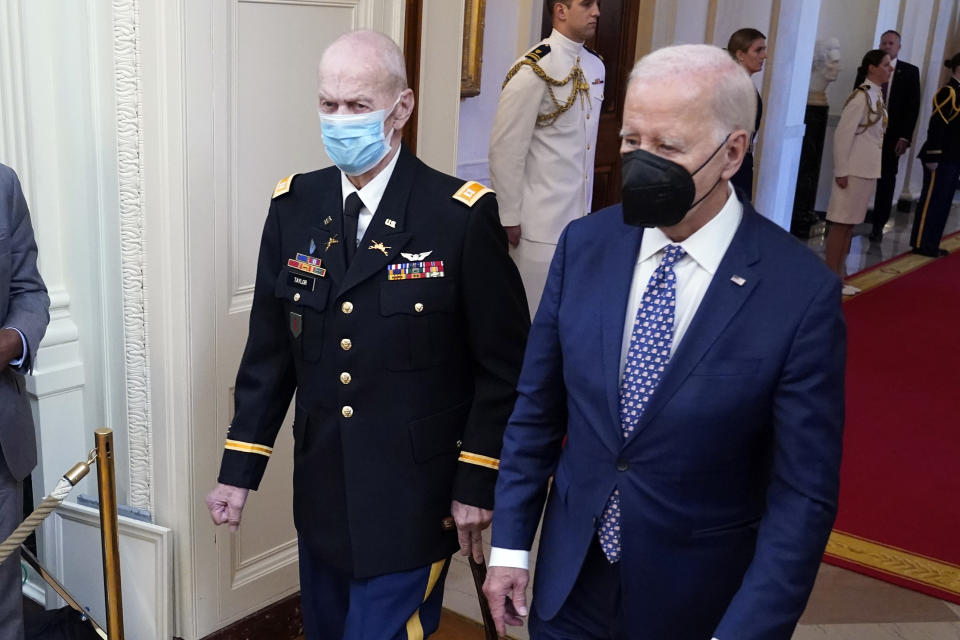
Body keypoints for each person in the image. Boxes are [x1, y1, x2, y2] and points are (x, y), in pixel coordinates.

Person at [483, 44, 846, 640]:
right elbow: (535, 413)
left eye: (668, 147)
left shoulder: (798, 294)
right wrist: (511, 550)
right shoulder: (585, 247)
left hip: (697, 604)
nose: (640, 163)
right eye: (631, 141)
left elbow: (802, 496)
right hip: (571, 587)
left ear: (732, 151)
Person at [204, 30, 529, 639]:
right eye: (329, 105)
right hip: (323, 491)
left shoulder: (457, 215)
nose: (340, 120)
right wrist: (239, 469)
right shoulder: (295, 205)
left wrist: (477, 479)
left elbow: (504, 367)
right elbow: (270, 353)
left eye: (358, 106)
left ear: (401, 108)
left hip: (416, 498)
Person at [489, 0, 605, 317]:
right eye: (586, 4)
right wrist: (509, 217)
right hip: (538, 227)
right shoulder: (532, 69)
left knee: (569, 324)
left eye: (597, 4)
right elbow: (506, 149)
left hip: (581, 223)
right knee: (532, 322)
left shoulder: (596, 67)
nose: (596, 12)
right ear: (561, 10)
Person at [0, 163, 49, 640]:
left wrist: (10, 341)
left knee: (3, 601)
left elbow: (29, 292)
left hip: (0, 444)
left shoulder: (3, 183)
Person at [825, 50, 891, 295]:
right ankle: (831, 278)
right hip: (852, 170)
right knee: (841, 225)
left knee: (850, 225)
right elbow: (843, 135)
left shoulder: (876, 95)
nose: (890, 69)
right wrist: (841, 170)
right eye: (885, 65)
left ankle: (838, 275)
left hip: (865, 169)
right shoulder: (860, 97)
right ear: (872, 68)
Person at [854, 30, 921, 242]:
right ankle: (854, 218)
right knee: (861, 178)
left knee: (886, 181)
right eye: (884, 42)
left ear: (899, 47)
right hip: (867, 137)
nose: (887, 46)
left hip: (892, 138)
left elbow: (913, 107)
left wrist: (905, 137)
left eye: (891, 43)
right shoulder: (866, 69)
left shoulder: (909, 72)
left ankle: (878, 225)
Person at [910, 53, 960, 257]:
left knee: (943, 202)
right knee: (932, 200)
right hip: (939, 157)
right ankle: (922, 242)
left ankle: (932, 242)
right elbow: (937, 126)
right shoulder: (948, 92)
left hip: (952, 158)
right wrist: (933, 155)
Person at [727, 28, 767, 201]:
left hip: (740, 160)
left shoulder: (743, 84)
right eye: (758, 50)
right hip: (732, 162)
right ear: (740, 54)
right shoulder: (736, 86)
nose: (764, 56)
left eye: (764, 50)